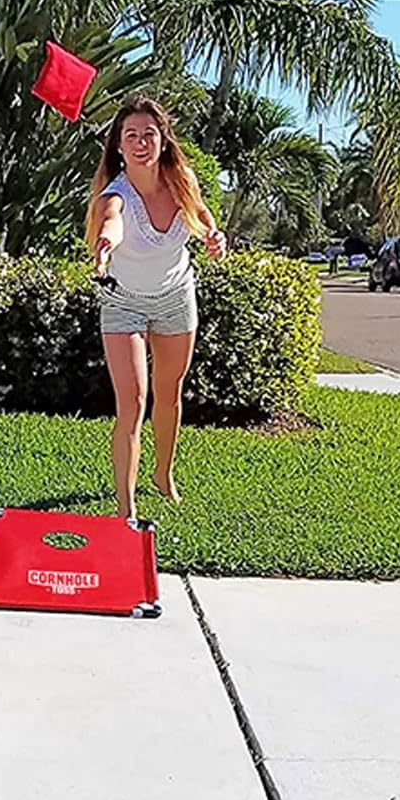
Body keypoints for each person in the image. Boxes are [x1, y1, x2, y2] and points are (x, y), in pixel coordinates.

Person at [87, 96, 226, 521]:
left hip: (174, 297)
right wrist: (106, 245)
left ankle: (163, 475)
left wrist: (212, 236)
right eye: (131, 135)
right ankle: (126, 510)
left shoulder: (181, 179)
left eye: (149, 134)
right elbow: (113, 221)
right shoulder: (115, 194)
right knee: (132, 401)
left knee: (168, 395)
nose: (141, 142)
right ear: (119, 146)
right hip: (122, 301)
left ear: (164, 141)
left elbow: (201, 216)